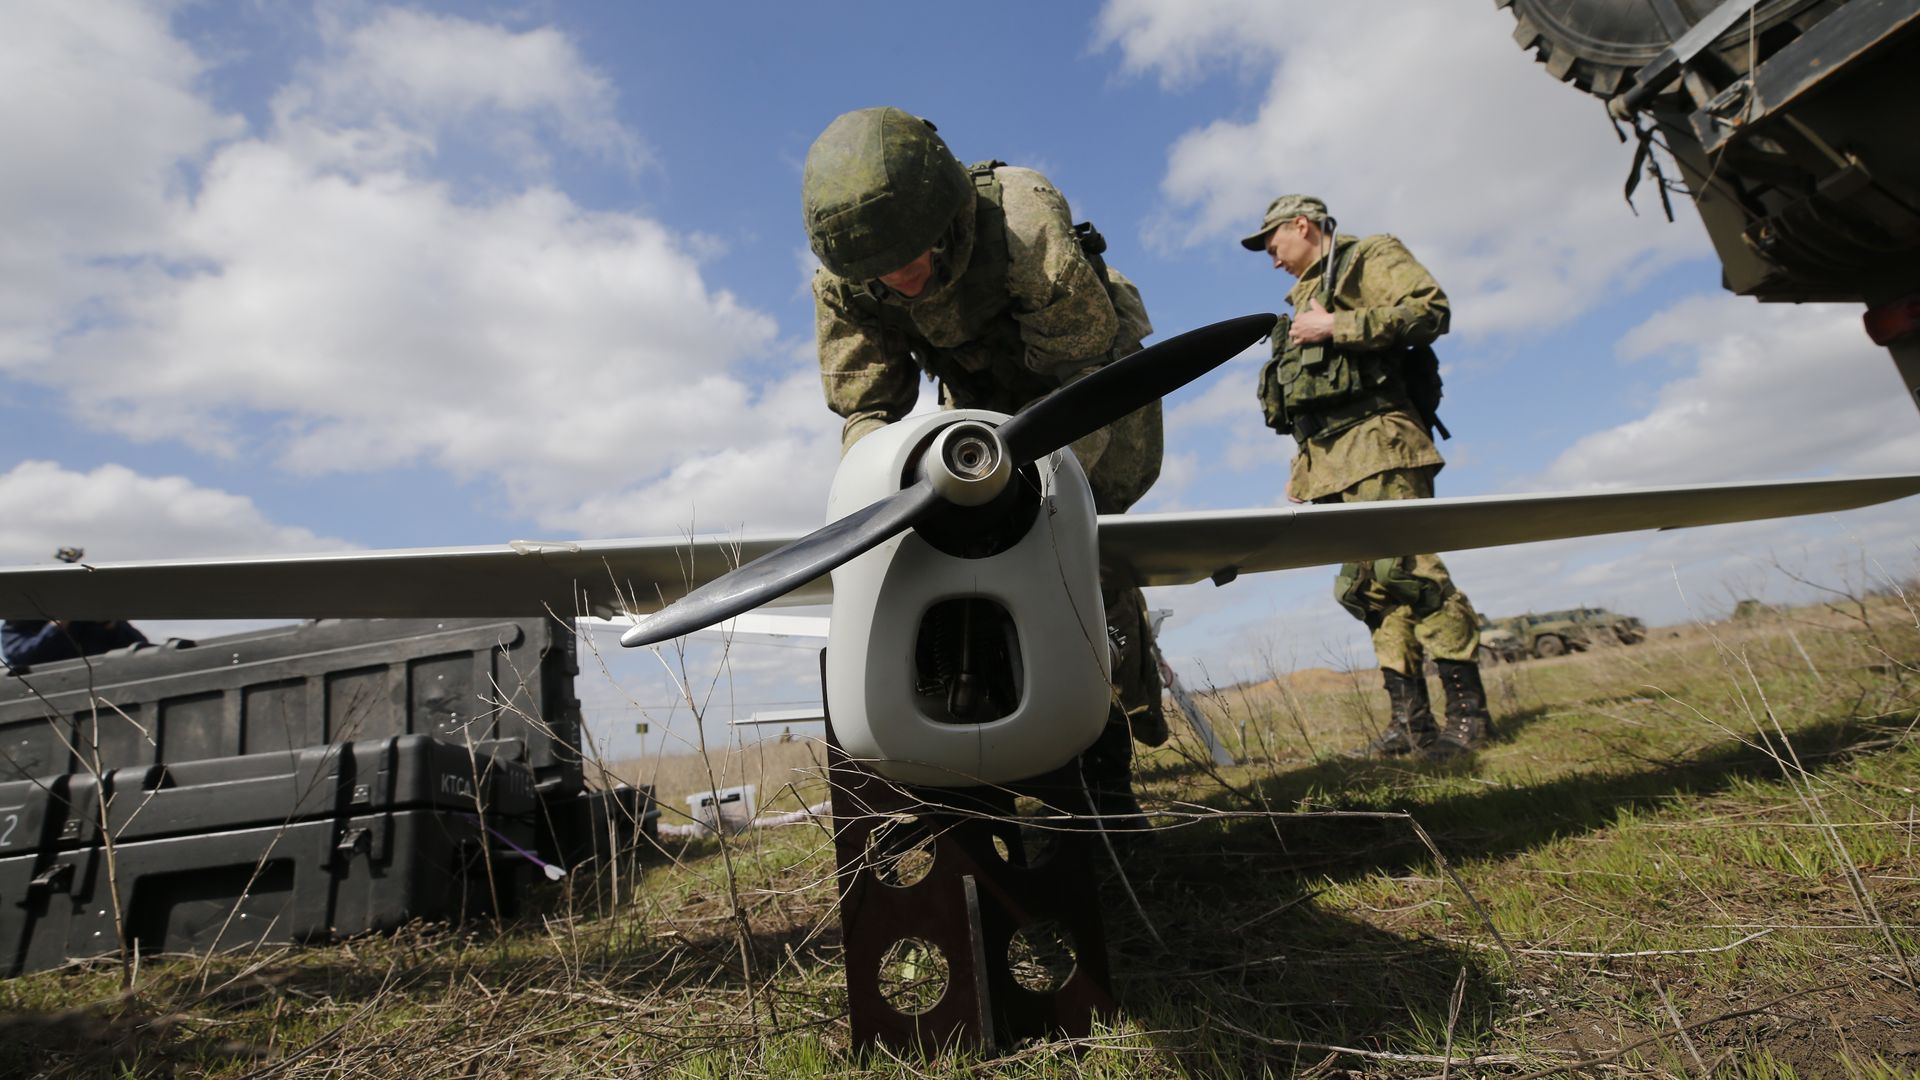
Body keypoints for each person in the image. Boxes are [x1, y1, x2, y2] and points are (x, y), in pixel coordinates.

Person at [804, 105, 1166, 820]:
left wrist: (1030, 495)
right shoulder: (846, 279)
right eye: (881, 279)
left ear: (945, 223)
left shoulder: (1023, 221)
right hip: (976, 407)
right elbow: (867, 413)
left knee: (1074, 558)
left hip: (1086, 389)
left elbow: (1082, 371)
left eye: (910, 265)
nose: (902, 287)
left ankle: (1110, 765)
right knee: (951, 550)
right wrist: (882, 502)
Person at [1241, 194, 1495, 759]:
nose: (1271, 256)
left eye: (1272, 242)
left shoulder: (1367, 257)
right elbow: (1312, 400)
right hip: (1328, 464)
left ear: (1301, 225)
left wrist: (1339, 324)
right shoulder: (1302, 296)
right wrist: (1302, 468)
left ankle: (1469, 718)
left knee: (1412, 573)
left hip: (1381, 443)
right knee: (1368, 589)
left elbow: (1431, 309)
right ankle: (1410, 725)